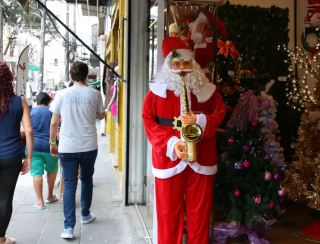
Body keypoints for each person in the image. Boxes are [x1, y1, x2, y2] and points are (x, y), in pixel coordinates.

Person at [142, 37, 226, 244]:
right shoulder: (154, 94)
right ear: (168, 66)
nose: (182, 69)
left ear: (193, 64)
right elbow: (149, 123)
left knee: (201, 212)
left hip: (202, 157)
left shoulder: (208, 91)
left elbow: (220, 112)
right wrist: (171, 144)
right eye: (177, 64)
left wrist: (199, 120)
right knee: (167, 212)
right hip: (169, 159)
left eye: (186, 63)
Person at [49, 61, 105, 239]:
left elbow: (54, 122)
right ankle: (85, 214)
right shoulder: (94, 94)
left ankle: (68, 228)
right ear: (87, 75)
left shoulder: (61, 94)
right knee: (87, 180)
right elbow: (101, 116)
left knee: (70, 185)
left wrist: (52, 143)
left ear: (71, 77)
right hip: (89, 145)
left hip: (67, 146)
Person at [0, 62, 34, 244]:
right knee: (4, 198)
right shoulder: (19, 102)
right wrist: (28, 157)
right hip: (11, 156)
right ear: (8, 80)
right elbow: (29, 131)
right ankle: (1, 238)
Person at [28, 92, 59, 210]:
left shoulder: (30, 112)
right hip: (50, 146)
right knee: (52, 170)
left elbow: (23, 130)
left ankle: (40, 202)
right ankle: (50, 196)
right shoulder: (52, 112)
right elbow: (57, 129)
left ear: (37, 101)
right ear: (48, 102)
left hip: (33, 147)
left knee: (36, 172)